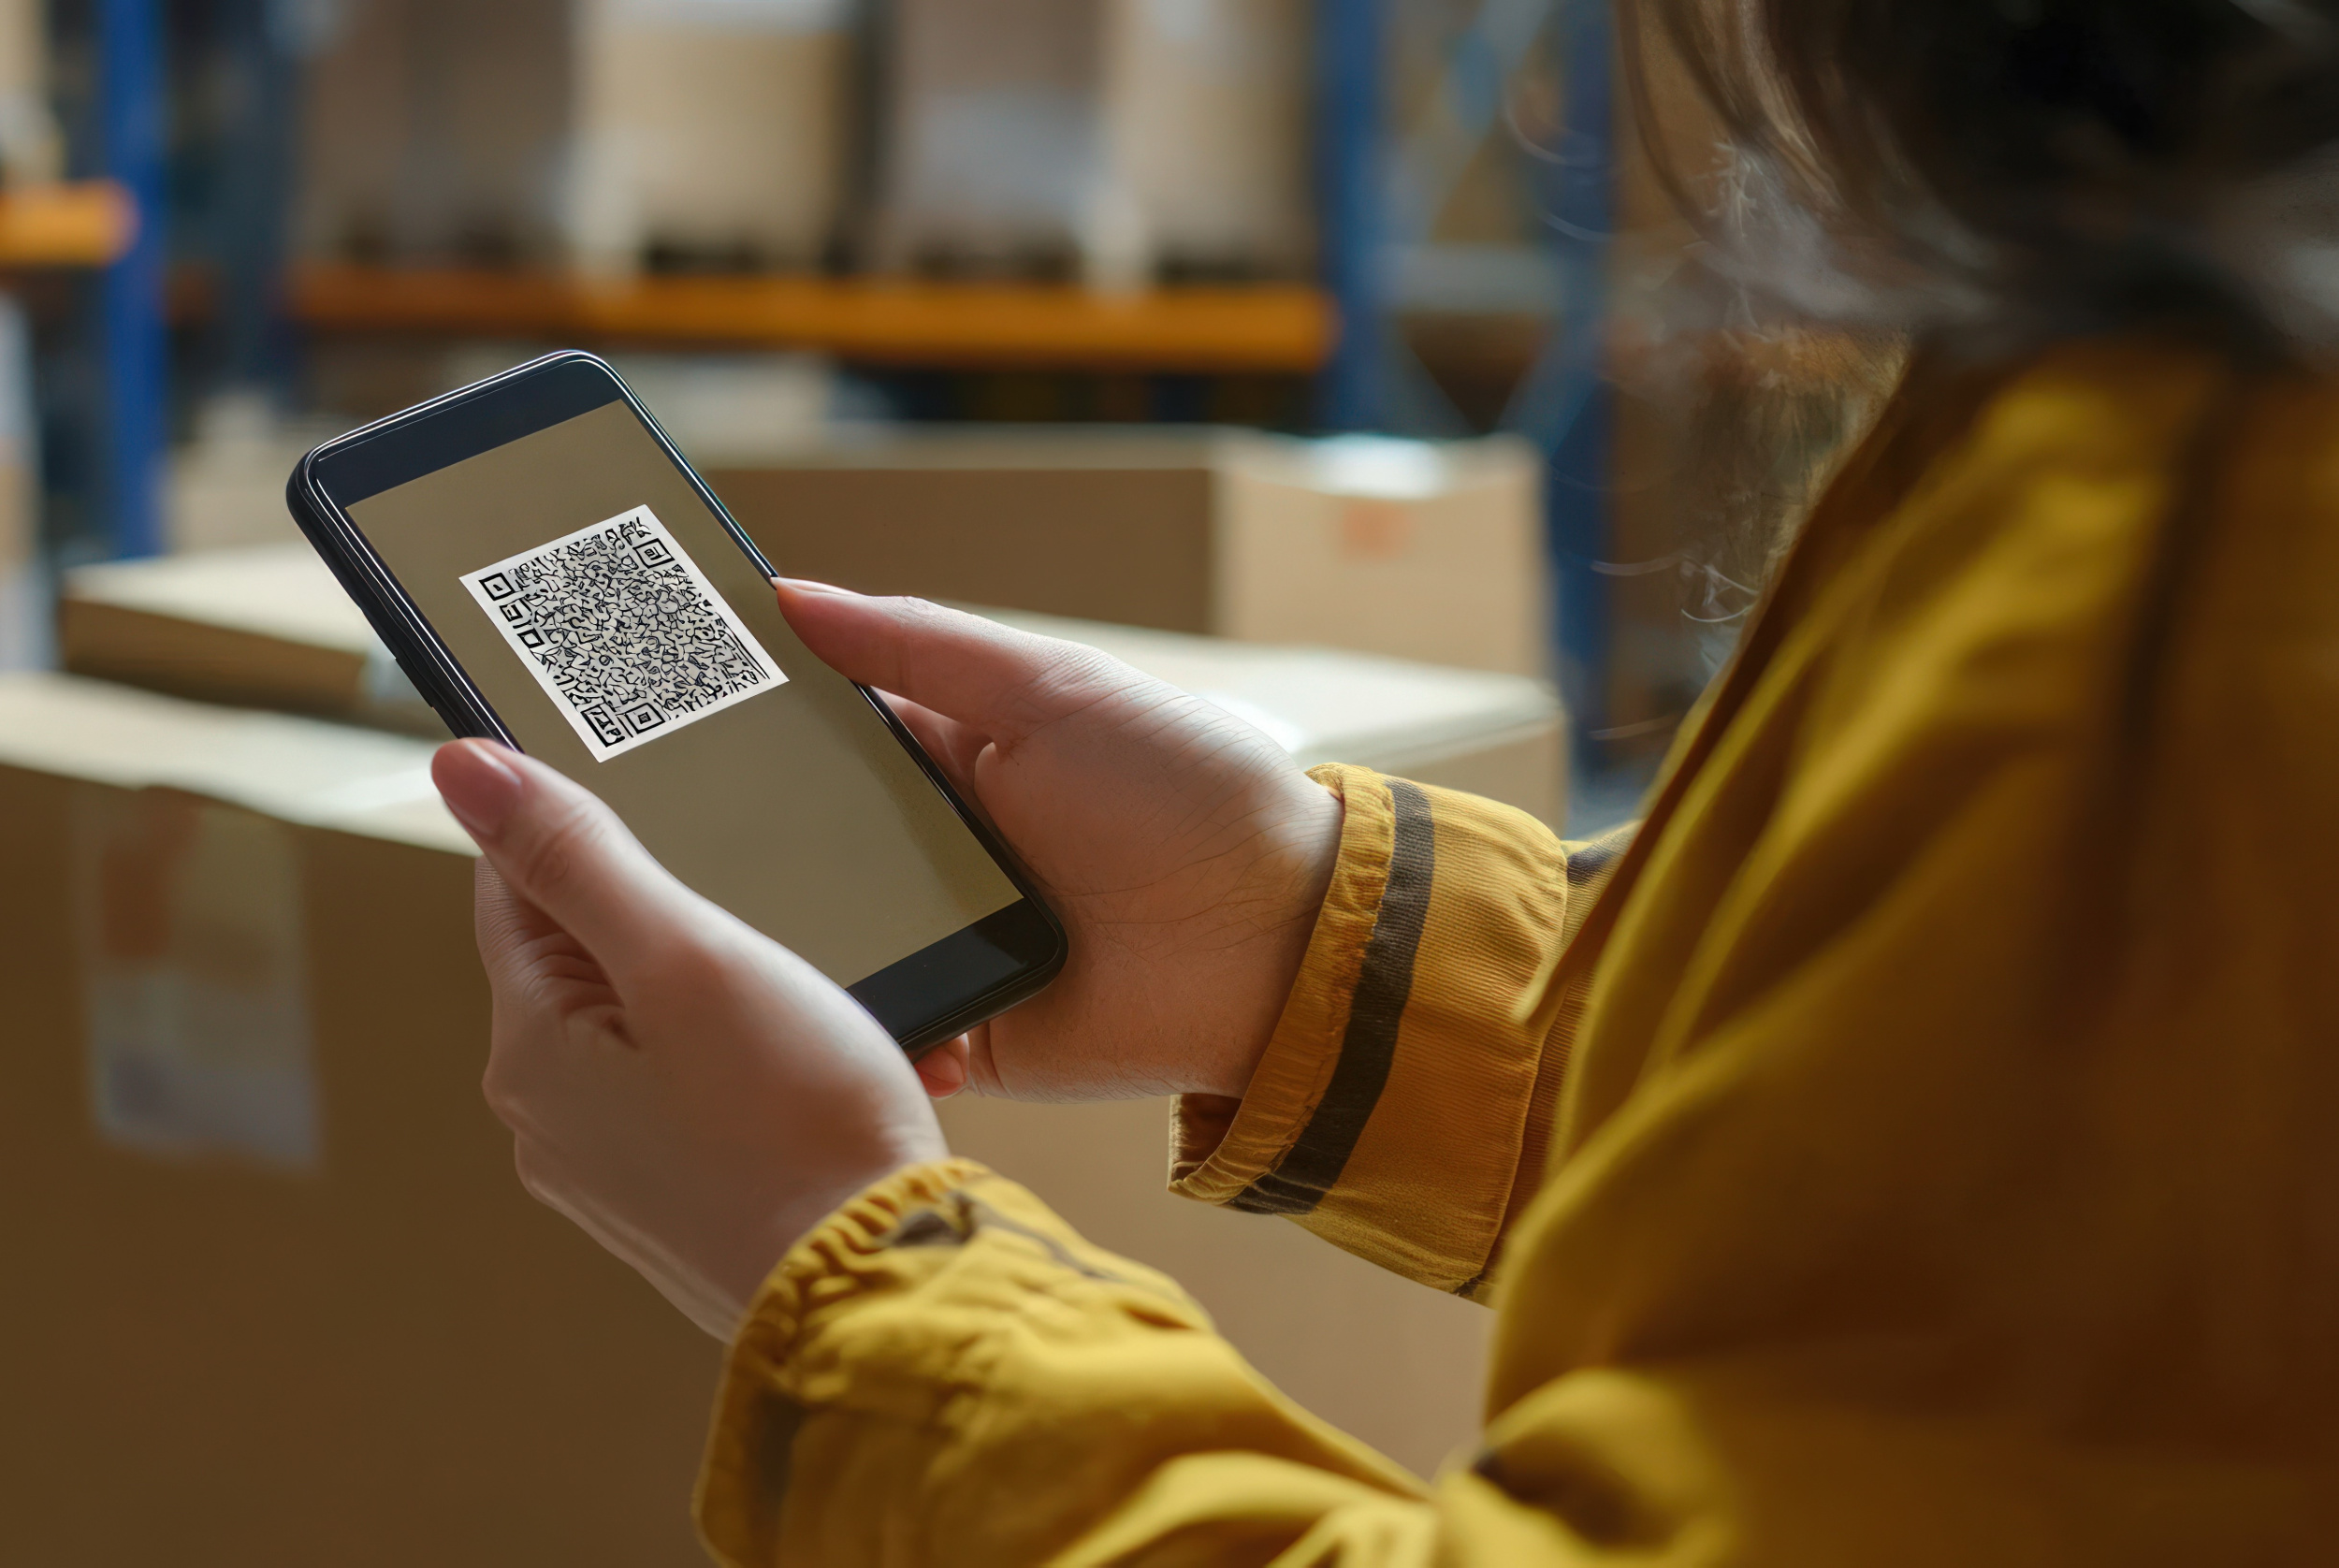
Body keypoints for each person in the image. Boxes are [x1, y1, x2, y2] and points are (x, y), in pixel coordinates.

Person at [428, 2, 2339, 1561]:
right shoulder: (2157, 374)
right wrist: (1293, 934)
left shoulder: (2218, 531)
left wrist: (840, 1273)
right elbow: (1955, 1159)